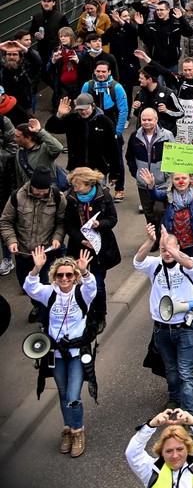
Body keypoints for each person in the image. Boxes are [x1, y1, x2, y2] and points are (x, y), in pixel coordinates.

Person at [24, 245, 96, 457]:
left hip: (76, 353)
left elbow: (92, 286)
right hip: (55, 354)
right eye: (60, 275)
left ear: (74, 277)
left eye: (69, 275)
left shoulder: (82, 293)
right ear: (54, 277)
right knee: (63, 394)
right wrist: (36, 268)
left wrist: (84, 270)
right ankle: (68, 429)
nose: (64, 279)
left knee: (73, 395)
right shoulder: (49, 293)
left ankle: (78, 431)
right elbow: (30, 287)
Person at [133, 224, 193, 414]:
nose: (167, 253)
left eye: (171, 249)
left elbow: (190, 264)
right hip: (162, 328)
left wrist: (170, 247)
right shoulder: (154, 264)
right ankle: (174, 398)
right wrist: (150, 241)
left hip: (185, 327)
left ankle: (188, 416)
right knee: (171, 370)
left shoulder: (189, 264)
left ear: (178, 247)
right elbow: (137, 261)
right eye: (163, 250)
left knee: (185, 373)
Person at [0, 164, 66, 322]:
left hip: (46, 254)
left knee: (45, 285)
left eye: (45, 191)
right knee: (27, 286)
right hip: (23, 253)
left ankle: (46, 319)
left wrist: (57, 238)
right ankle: (37, 305)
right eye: (38, 190)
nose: (42, 193)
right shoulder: (17, 196)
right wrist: (11, 241)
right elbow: (6, 222)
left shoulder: (57, 197)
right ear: (31, 185)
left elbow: (62, 222)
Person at [61, 167, 119, 334]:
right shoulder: (70, 198)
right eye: (74, 185)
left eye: (78, 185)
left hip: (100, 248)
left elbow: (112, 219)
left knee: (98, 285)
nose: (75, 188)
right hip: (79, 248)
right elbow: (68, 225)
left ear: (89, 184)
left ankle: (100, 316)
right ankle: (85, 313)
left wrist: (99, 224)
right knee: (78, 283)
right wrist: (82, 240)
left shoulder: (104, 195)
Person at [126, 409, 193, 487]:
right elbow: (132, 453)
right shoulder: (151, 470)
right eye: (169, 451)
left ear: (187, 448)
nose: (175, 455)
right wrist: (150, 426)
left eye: (180, 449)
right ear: (161, 451)